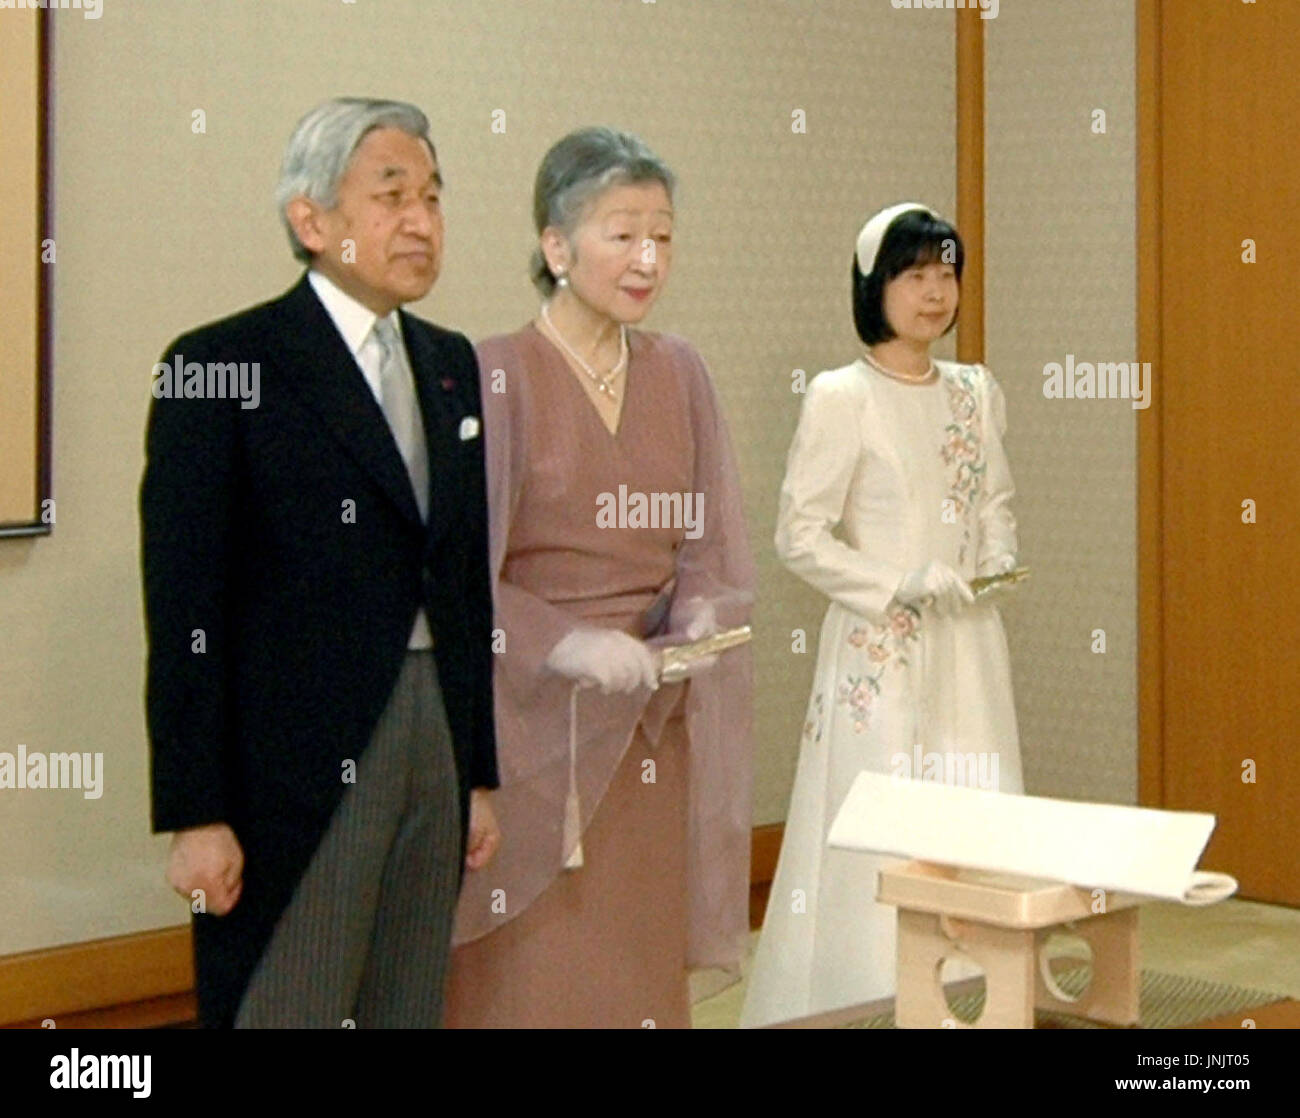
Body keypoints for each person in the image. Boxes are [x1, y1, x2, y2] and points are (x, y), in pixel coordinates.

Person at [141, 97, 500, 1029]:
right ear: (311, 219)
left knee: (407, 1002)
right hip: (292, 767)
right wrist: (195, 811)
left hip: (434, 736)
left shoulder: (450, 364)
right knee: (287, 1003)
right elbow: (184, 607)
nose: (421, 221)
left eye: (432, 195)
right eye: (390, 196)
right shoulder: (222, 366)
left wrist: (479, 771)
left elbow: (465, 584)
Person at [444, 127, 755, 1028]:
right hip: (533, 721)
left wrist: (699, 616)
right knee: (537, 970)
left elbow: (712, 541)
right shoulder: (494, 374)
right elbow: (463, 576)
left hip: (653, 717)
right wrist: (564, 643)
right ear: (555, 246)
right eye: (622, 234)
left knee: (634, 961)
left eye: (662, 235)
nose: (647, 257)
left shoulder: (680, 369)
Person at [740, 203, 1025, 1028]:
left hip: (970, 642)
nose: (935, 294)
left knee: (974, 813)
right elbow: (799, 535)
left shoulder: (976, 390)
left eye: (947, 274)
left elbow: (995, 500)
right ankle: (861, 1003)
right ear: (875, 288)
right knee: (886, 828)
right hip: (879, 653)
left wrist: (993, 564)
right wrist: (898, 582)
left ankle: (979, 1001)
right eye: (914, 277)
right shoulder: (842, 395)